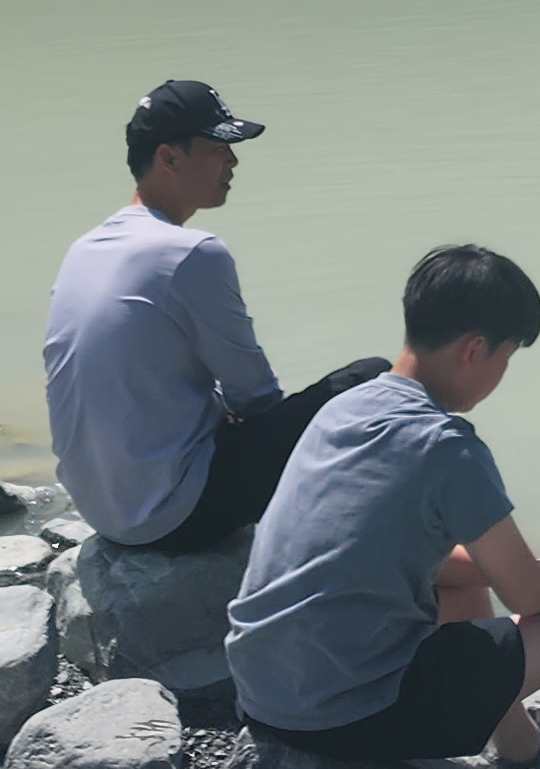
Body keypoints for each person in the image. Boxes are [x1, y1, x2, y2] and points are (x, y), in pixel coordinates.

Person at [224, 243, 540, 769]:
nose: (503, 374)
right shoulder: (447, 446)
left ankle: (525, 758)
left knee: (460, 577)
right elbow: (528, 593)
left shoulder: (347, 408)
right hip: (348, 713)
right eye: (507, 357)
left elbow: (381, 546)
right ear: (476, 350)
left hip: (263, 691)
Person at [41, 78, 388, 555]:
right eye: (218, 146)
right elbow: (257, 398)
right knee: (372, 381)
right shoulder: (192, 253)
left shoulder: (85, 248)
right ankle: (381, 561)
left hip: (101, 511)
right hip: (176, 517)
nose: (233, 160)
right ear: (169, 157)